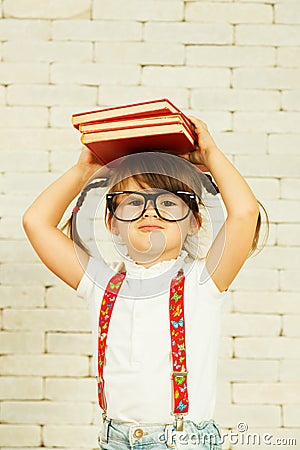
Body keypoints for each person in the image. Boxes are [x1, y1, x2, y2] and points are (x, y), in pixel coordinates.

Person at [22, 117, 269, 450]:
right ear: (111, 221)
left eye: (168, 203)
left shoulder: (203, 280)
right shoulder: (101, 283)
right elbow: (36, 222)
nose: (149, 213)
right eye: (133, 202)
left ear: (194, 222)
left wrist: (210, 153)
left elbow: (243, 212)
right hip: (115, 440)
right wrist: (86, 170)